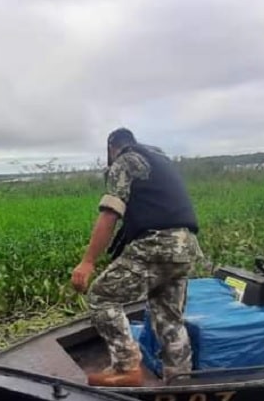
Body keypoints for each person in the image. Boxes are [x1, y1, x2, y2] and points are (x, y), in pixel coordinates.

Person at [71, 128, 201, 387]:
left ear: (111, 147)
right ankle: (180, 379)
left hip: (157, 245)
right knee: (169, 317)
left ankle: (126, 367)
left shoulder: (125, 161)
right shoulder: (159, 160)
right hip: (185, 247)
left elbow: (110, 213)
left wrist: (87, 262)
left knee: (101, 297)